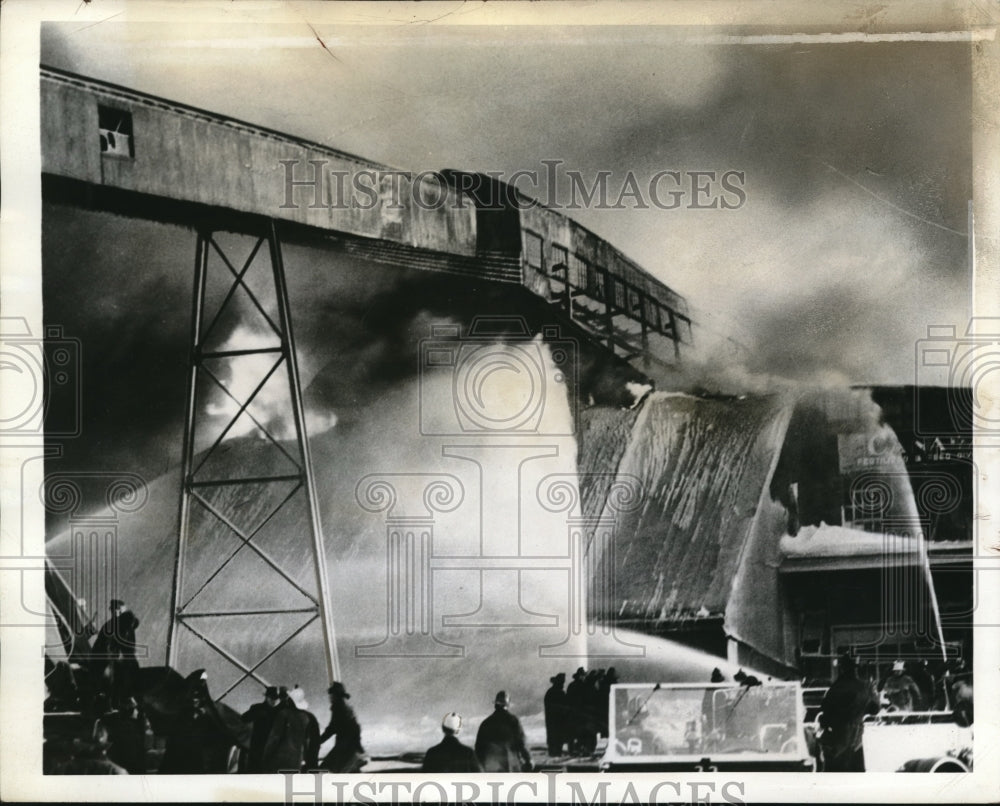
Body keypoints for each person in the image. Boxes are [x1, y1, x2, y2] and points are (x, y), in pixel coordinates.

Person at [818, 654, 879, 772]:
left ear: (842, 668)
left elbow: (824, 717)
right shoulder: (865, 687)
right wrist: (874, 694)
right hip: (856, 739)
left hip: (837, 740)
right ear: (857, 668)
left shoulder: (835, 688)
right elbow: (875, 710)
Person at [262, 686, 320, 773]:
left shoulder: (283, 714)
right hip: (296, 763)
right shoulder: (306, 718)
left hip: (278, 761)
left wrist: (265, 757)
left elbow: (274, 738)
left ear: (290, 700)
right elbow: (308, 743)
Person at [474, 691, 532, 772]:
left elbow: (478, 748)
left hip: (490, 767)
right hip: (510, 766)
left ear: (495, 705)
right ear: (507, 705)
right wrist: (528, 760)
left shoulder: (486, 723)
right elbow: (521, 743)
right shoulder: (513, 720)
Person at [96, 696, 151, 774]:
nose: (137, 711)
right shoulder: (128, 727)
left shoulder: (131, 725)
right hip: (129, 765)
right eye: (135, 708)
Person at [319, 682, 366, 773]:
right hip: (351, 745)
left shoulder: (339, 707)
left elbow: (332, 728)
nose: (330, 698)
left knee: (326, 768)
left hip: (345, 745)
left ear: (335, 695)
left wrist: (319, 741)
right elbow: (355, 726)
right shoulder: (346, 705)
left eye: (331, 695)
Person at [241, 686, 280, 773]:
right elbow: (244, 718)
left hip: (270, 747)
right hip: (257, 745)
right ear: (266, 697)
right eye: (272, 698)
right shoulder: (257, 708)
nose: (274, 701)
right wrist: (257, 714)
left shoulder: (278, 712)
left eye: (276, 699)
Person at [544, 672, 568, 757]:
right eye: (562, 682)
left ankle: (554, 754)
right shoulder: (560, 692)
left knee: (553, 739)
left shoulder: (550, 692)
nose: (563, 684)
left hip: (552, 721)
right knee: (558, 740)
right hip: (558, 720)